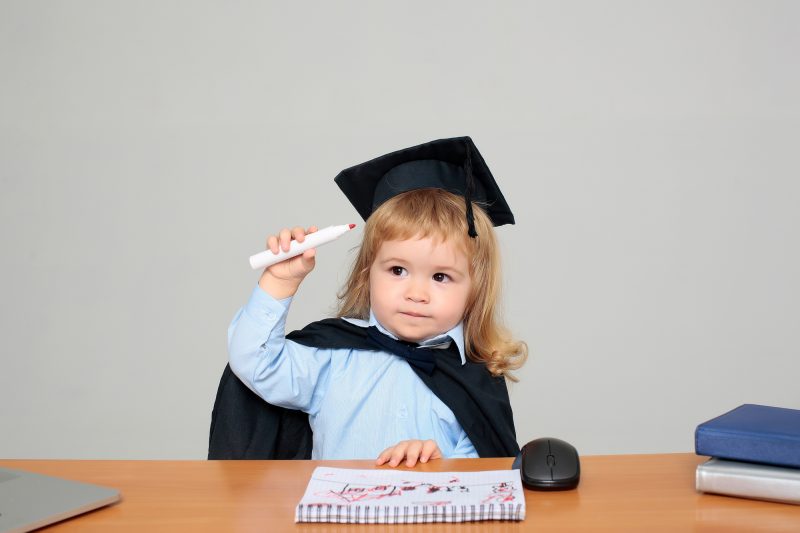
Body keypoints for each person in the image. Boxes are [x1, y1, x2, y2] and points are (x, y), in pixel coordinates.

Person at [225, 137, 527, 467]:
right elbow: (255, 363)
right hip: (336, 516)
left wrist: (438, 461)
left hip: (435, 516)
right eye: (398, 270)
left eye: (441, 277)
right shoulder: (330, 361)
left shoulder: (477, 380)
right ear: (368, 273)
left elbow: (486, 468)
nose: (417, 293)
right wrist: (280, 281)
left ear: (474, 289)